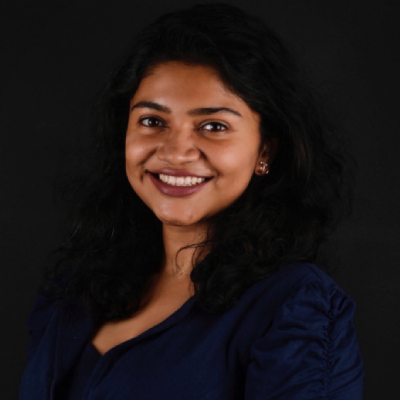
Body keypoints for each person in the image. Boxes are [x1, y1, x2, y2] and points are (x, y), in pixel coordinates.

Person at [19, 3, 364, 399]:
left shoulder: (294, 309)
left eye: (213, 126)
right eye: (153, 121)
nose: (175, 152)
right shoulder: (77, 287)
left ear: (265, 150)